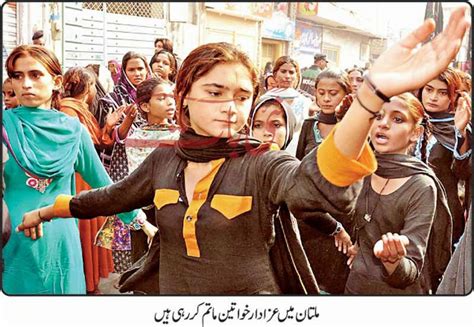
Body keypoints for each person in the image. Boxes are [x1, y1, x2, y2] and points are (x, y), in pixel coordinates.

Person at [16, 6, 471, 294]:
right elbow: (107, 197)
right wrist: (44, 212)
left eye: (241, 96)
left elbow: (316, 184)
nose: (232, 108)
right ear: (184, 98)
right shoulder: (164, 160)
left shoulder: (263, 163)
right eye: (215, 93)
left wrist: (369, 97)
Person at [2, 45, 140, 294]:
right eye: (17, 76)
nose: (25, 84)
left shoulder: (73, 130)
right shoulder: (4, 127)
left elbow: (103, 183)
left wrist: (139, 221)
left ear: (56, 81)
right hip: (10, 241)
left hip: (60, 244)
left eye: (35, 75)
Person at [345, 93, 452, 294]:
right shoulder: (361, 170)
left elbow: (410, 271)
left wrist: (393, 260)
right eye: (378, 116)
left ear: (416, 132)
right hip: (355, 289)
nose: (383, 124)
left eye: (397, 119)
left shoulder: (421, 186)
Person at [58, 67, 116, 293]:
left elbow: (96, 142)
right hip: (79, 177)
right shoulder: (68, 111)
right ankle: (85, 283)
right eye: (92, 85)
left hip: (87, 174)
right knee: (84, 232)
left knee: (91, 231)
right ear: (86, 87)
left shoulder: (79, 110)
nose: (95, 90)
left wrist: (109, 126)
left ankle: (90, 282)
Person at [97, 51, 151, 273]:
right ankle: (127, 272)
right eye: (131, 69)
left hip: (150, 162)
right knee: (126, 215)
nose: (137, 73)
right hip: (123, 164)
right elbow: (112, 135)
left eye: (140, 68)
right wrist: (122, 121)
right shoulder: (114, 99)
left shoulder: (155, 93)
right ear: (123, 72)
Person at [124, 77, 180, 263]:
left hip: (176, 210)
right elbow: (138, 180)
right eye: (161, 98)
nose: (170, 101)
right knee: (142, 267)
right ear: (145, 106)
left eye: (171, 96)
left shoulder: (181, 136)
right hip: (145, 212)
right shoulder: (135, 138)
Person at [416, 67, 471, 247]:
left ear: (453, 97)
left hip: (443, 214)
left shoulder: (457, 127)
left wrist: (460, 132)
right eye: (429, 89)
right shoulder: (406, 120)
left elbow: (464, 172)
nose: (433, 97)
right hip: (407, 208)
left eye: (442, 92)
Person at [296, 69, 352, 160]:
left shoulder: (355, 127)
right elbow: (299, 164)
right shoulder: (309, 124)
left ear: (347, 94)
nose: (326, 99)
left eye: (333, 93)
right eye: (321, 93)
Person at [271, 56, 314, 155]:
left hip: (295, 153)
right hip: (269, 151)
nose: (287, 76)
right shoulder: (266, 99)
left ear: (297, 76)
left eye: (291, 72)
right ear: (275, 74)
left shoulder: (304, 102)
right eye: (283, 71)